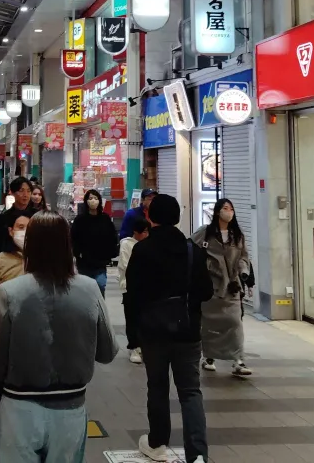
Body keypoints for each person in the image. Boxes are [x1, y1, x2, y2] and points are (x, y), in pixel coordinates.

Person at [0, 212, 119, 462]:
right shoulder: (89, 289)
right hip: (72, 406)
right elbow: (107, 352)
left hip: (19, 407)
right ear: (67, 245)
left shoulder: (9, 293)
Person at [128, 195, 214, 463]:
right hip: (187, 330)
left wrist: (135, 336)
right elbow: (207, 291)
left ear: (151, 217)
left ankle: (157, 444)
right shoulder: (193, 251)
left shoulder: (142, 250)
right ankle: (198, 455)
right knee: (190, 391)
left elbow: (133, 295)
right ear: (177, 217)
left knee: (157, 386)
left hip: (153, 333)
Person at [192, 198, 252, 377]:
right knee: (209, 325)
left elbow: (243, 256)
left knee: (235, 323)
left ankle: (238, 359)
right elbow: (192, 249)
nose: (229, 212)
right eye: (226, 208)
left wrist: (243, 272)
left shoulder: (237, 235)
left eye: (231, 209)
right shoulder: (205, 233)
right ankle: (209, 356)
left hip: (232, 286)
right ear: (218, 211)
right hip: (211, 286)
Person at [70, 189, 119, 296]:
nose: (93, 201)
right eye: (90, 198)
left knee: (100, 286)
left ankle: (99, 311)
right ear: (86, 201)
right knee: (85, 290)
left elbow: (112, 237)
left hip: (100, 262)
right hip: (84, 262)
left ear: (100, 201)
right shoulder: (80, 220)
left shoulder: (105, 219)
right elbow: (73, 238)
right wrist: (77, 253)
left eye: (96, 198)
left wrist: (111, 253)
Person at [119, 216, 149, 364]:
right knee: (132, 318)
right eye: (143, 232)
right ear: (135, 232)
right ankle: (134, 346)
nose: (146, 235)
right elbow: (125, 266)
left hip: (147, 286)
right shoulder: (126, 244)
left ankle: (145, 346)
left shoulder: (149, 244)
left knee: (145, 318)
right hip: (130, 287)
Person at [0, 177, 35, 257]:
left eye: (28, 191)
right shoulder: (3, 218)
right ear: (12, 193)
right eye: (21, 191)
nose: (25, 195)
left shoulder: (36, 217)